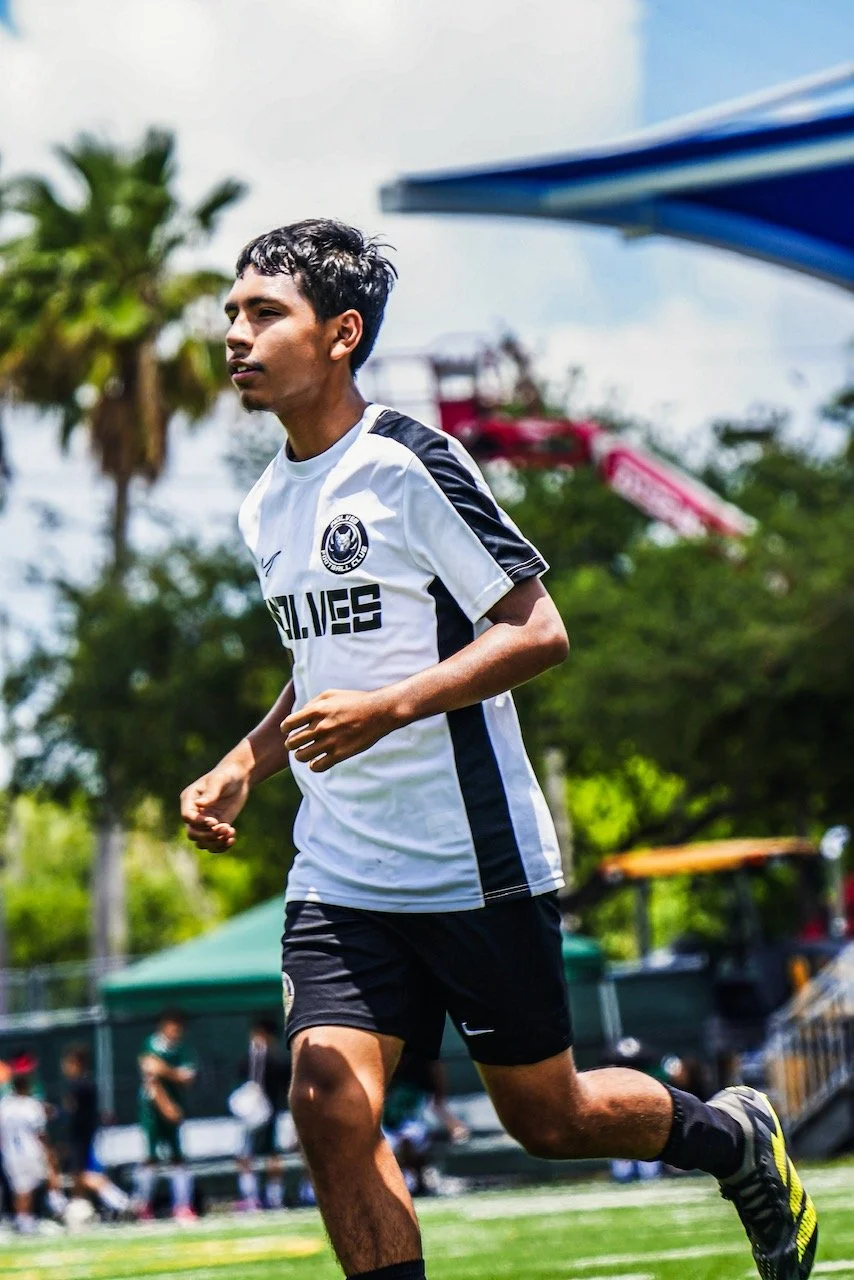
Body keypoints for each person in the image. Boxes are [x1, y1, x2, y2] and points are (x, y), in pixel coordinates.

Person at [180, 219, 818, 1280]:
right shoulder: (264, 505)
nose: (235, 336)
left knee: (549, 1114)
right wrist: (249, 754)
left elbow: (535, 628)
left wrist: (386, 710)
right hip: (341, 868)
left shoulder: (410, 464)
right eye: (231, 314)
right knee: (324, 1098)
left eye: (263, 314)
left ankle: (733, 1139)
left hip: (472, 859)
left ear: (340, 334)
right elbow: (327, 656)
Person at [132, 1010, 197, 1221]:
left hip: (174, 1109)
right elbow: (152, 1079)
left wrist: (166, 1070)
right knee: (150, 1157)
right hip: (153, 1110)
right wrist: (166, 1105)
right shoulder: (151, 1045)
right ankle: (143, 1207)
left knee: (178, 1157)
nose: (176, 1031)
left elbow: (186, 1077)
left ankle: (182, 1206)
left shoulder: (182, 1050)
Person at [383, 1050, 468, 1196]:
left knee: (408, 1140)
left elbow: (438, 1105)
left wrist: (454, 1126)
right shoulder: (381, 1070)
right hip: (384, 1126)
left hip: (414, 1123)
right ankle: (400, 1181)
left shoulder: (426, 1070)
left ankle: (419, 1180)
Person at [60, 1044, 130, 1218]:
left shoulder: (79, 1086)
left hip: (82, 1138)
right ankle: (80, 1211)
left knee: (84, 1175)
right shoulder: (84, 1084)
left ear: (75, 1063)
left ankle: (121, 1201)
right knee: (77, 1176)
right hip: (83, 1136)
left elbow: (73, 1110)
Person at [0, 1057, 66, 1233]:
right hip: (31, 1151)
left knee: (21, 1191)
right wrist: (49, 1151)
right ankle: (59, 1211)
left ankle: (25, 1222)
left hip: (11, 1154)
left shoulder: (4, 1106)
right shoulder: (32, 1106)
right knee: (49, 1178)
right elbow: (41, 1134)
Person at [234, 1016, 290, 1211]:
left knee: (273, 1154)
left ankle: (274, 1197)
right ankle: (250, 1197)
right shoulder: (249, 1057)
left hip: (271, 1113)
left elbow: (283, 1076)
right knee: (245, 1155)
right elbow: (242, 1073)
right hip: (250, 1115)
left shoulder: (275, 1058)